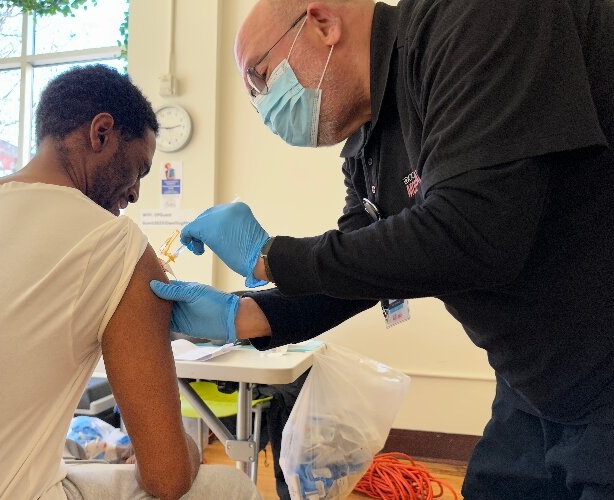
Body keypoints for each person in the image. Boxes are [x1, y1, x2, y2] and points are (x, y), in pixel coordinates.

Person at [150, 0, 614, 498]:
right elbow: (359, 271)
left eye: (262, 79)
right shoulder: (369, 141)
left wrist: (271, 257)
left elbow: (477, 232)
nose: (264, 106)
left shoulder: (477, 19)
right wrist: (242, 317)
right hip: (536, 388)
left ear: (323, 24)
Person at [0, 65, 259, 500]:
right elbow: (167, 479)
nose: (135, 195)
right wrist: (190, 449)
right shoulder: (115, 243)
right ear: (102, 132)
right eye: (140, 170)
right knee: (228, 487)